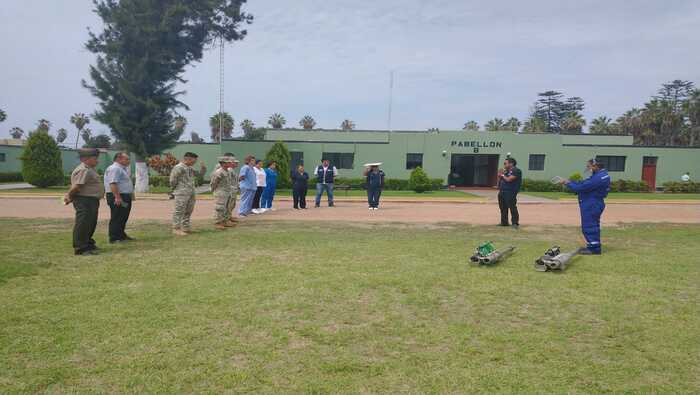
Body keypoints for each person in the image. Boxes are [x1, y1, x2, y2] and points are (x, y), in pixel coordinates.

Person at [560, 158, 611, 255]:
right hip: (592, 202)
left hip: (592, 203)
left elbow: (581, 187)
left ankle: (594, 248)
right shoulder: (599, 175)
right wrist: (571, 182)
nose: (588, 168)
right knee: (590, 224)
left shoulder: (598, 177)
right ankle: (592, 245)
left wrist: (568, 183)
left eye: (589, 166)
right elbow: (583, 183)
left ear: (595, 166)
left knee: (589, 225)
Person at [64, 148, 104, 255]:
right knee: (83, 223)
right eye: (95, 158)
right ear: (86, 159)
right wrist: (69, 196)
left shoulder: (90, 169)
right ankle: (80, 248)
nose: (97, 161)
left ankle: (88, 244)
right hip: (84, 200)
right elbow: (77, 187)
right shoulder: (83, 170)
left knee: (90, 223)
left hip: (90, 200)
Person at [104, 152, 135, 243]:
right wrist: (117, 197)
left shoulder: (121, 169)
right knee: (117, 216)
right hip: (118, 196)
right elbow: (113, 183)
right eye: (127, 159)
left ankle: (121, 235)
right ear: (119, 159)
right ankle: (114, 238)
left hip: (123, 196)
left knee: (123, 216)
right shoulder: (115, 169)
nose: (129, 161)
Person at [169, 152, 198, 236]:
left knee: (188, 210)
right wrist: (175, 189)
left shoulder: (189, 168)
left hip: (190, 192)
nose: (194, 162)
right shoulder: (179, 167)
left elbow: (196, 176)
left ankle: (185, 227)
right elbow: (172, 180)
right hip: (181, 192)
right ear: (188, 159)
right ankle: (176, 228)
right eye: (193, 160)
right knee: (179, 210)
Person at [210, 156, 236, 230]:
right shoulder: (219, 172)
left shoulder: (227, 171)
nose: (230, 163)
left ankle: (224, 221)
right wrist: (214, 191)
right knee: (219, 208)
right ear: (223, 163)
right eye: (228, 162)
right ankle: (217, 223)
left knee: (226, 208)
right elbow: (213, 183)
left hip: (227, 192)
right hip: (220, 192)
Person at [497, 157, 522, 228]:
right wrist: (500, 174)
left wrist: (502, 175)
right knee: (503, 208)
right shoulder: (506, 171)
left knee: (512, 207)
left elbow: (509, 180)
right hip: (502, 191)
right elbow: (500, 180)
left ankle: (515, 223)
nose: (504, 165)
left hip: (510, 192)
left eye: (505, 163)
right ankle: (504, 222)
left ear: (511, 164)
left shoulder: (516, 171)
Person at [222, 152, 240, 225]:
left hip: (233, 189)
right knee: (228, 205)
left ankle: (229, 217)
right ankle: (226, 219)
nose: (235, 163)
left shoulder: (231, 170)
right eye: (233, 161)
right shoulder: (229, 170)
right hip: (230, 190)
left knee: (232, 205)